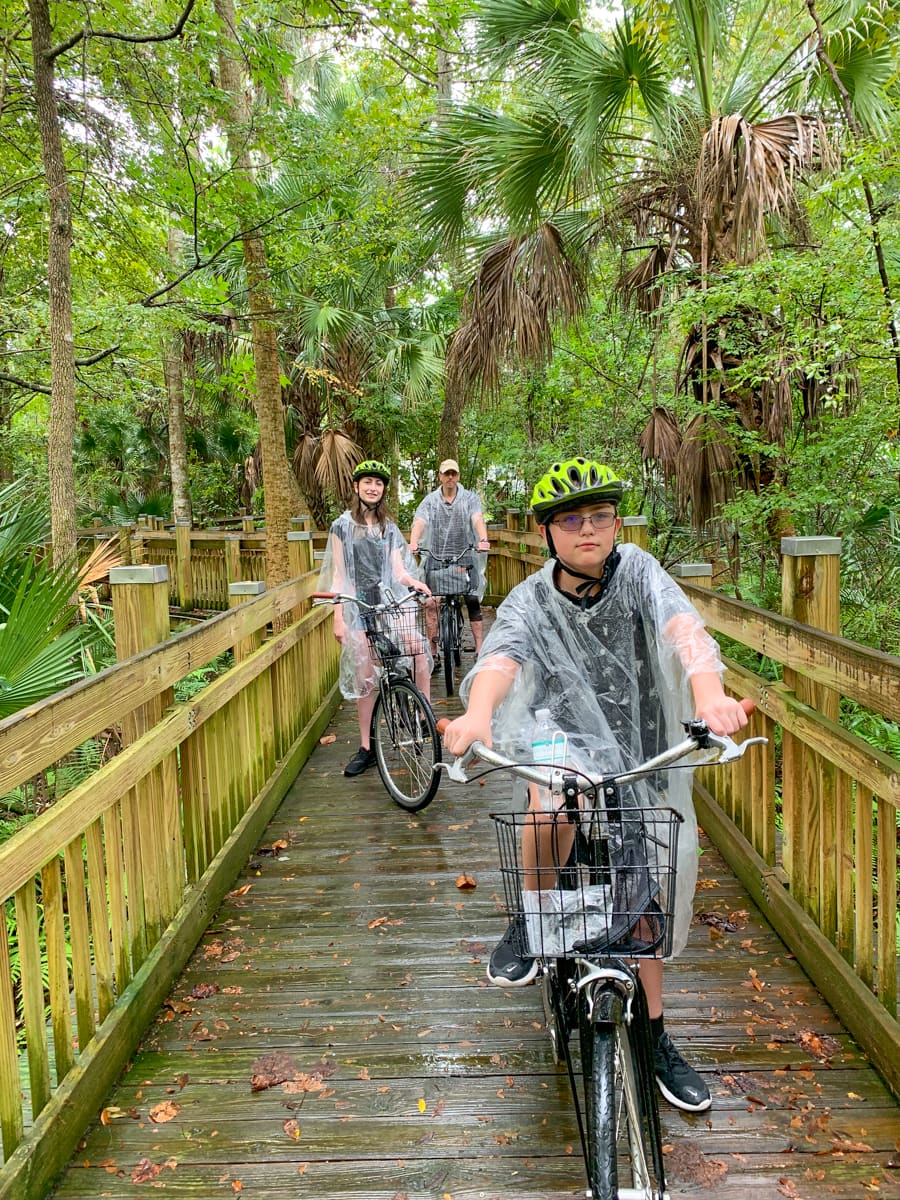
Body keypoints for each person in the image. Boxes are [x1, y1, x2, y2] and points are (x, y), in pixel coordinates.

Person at [442, 456, 747, 1113]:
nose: (589, 531)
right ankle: (532, 921)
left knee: (643, 891)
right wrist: (477, 712)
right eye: (572, 520)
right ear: (548, 531)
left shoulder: (637, 570)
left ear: (616, 523)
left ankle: (657, 1033)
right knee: (551, 804)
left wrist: (711, 693)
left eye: (600, 517)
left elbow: (684, 630)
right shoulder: (528, 599)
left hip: (636, 746)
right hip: (558, 741)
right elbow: (501, 657)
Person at [318, 460, 431, 777]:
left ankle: (424, 718)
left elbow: (398, 571)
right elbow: (340, 576)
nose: (372, 487)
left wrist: (413, 582)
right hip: (356, 604)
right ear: (356, 487)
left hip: (387, 601)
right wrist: (338, 617)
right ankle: (367, 747)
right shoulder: (341, 526)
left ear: (383, 490)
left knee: (416, 649)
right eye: (367, 482)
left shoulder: (388, 527)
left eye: (378, 483)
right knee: (366, 676)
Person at [409, 458, 491, 662]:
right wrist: (413, 542)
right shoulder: (430, 501)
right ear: (440, 476)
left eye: (453, 473)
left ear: (458, 476)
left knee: (471, 599)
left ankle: (480, 647)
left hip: (464, 556)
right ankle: (433, 650)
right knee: (431, 602)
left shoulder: (469, 498)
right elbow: (420, 521)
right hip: (436, 558)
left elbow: (477, 518)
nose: (450, 477)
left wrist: (483, 539)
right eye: (446, 474)